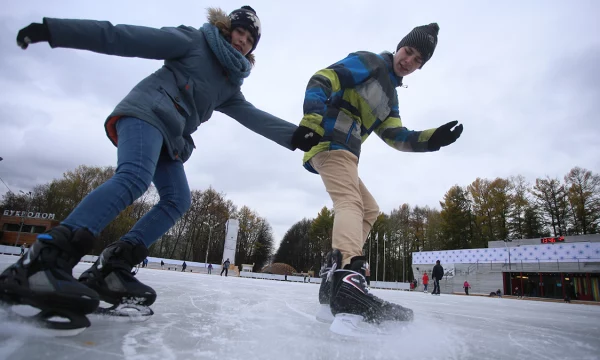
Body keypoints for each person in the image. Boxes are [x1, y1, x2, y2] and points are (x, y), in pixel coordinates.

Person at [0, 5, 303, 333]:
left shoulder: (229, 84)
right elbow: (122, 37)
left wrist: (299, 137)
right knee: (133, 177)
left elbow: (253, 116)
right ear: (227, 29)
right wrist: (53, 30)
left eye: (250, 39)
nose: (242, 41)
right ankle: (43, 261)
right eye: (239, 32)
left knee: (178, 199)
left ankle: (111, 267)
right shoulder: (193, 41)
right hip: (145, 114)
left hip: (171, 137)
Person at [302, 23, 462, 328]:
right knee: (350, 202)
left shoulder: (390, 96)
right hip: (328, 141)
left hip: (346, 153)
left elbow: (396, 135)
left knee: (370, 209)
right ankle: (349, 277)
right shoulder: (370, 62)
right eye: (408, 51)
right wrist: (311, 119)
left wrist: (431, 140)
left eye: (417, 60)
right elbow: (324, 77)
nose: (409, 61)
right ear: (399, 46)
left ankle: (332, 278)